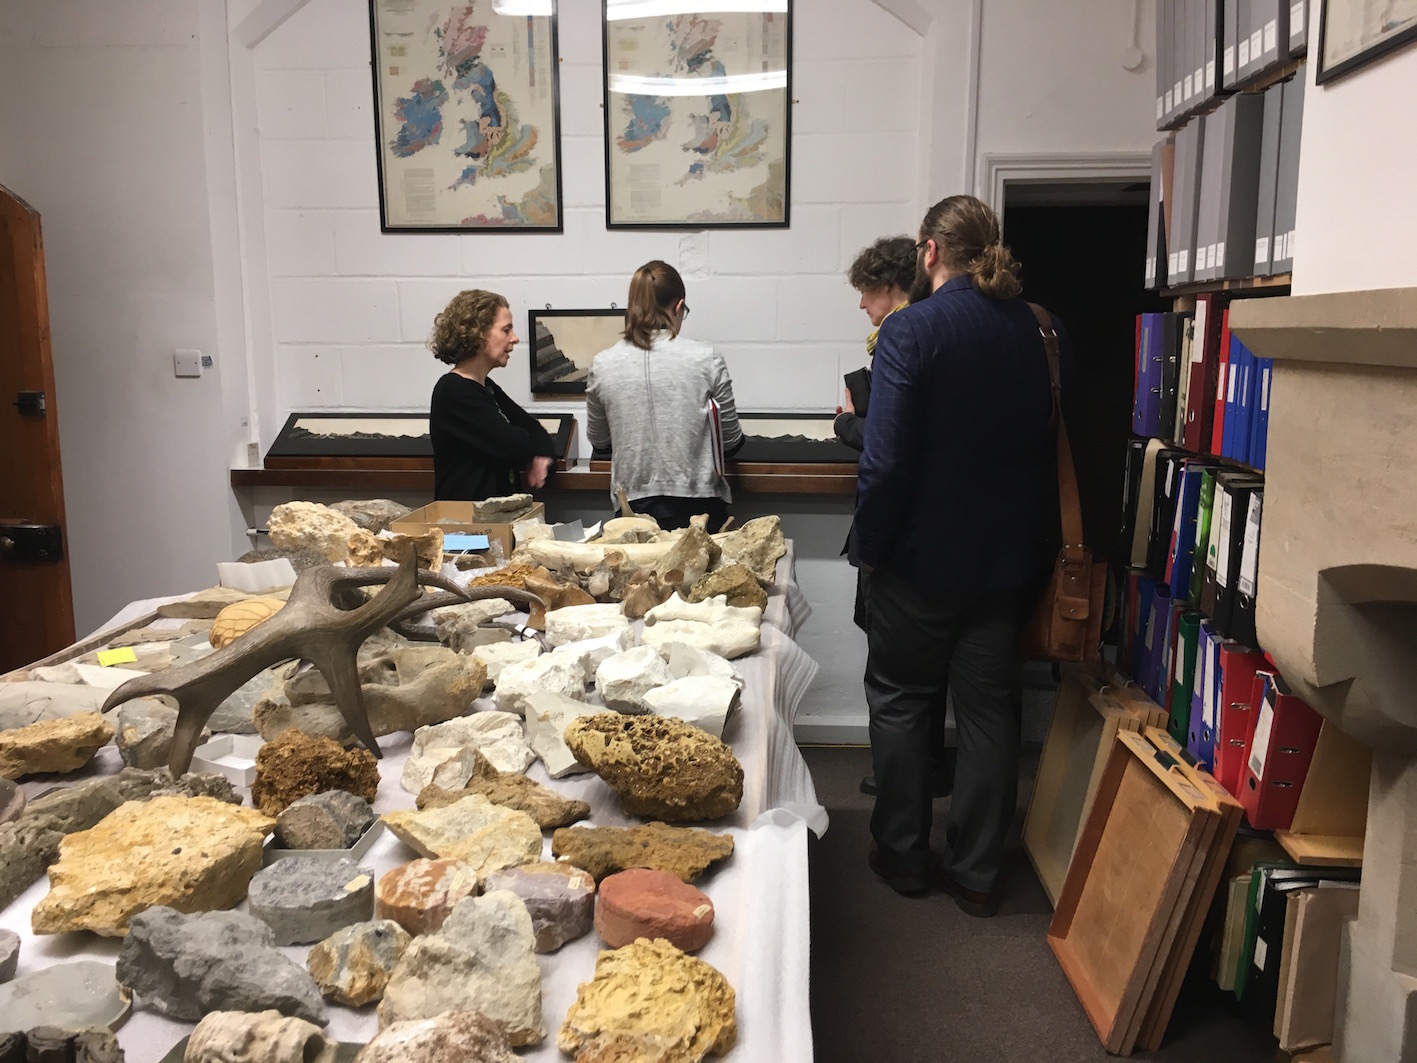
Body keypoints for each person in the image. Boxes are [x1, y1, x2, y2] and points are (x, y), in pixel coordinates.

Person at [854, 195, 1075, 913]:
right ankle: (977, 872)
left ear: (927, 252)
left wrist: (871, 548)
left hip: (917, 559)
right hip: (1006, 563)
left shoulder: (908, 332)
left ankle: (904, 855)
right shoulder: (1042, 329)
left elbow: (883, 464)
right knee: (988, 715)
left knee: (900, 702)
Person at [836, 237, 955, 801]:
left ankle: (901, 799)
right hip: (950, 537)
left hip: (901, 539)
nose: (862, 305)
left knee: (896, 683)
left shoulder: (901, 337)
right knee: (930, 681)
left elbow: (885, 445)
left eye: (865, 291)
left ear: (888, 285)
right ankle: (925, 772)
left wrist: (845, 424)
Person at [586, 260, 743, 531]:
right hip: (701, 512)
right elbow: (731, 441)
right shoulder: (707, 359)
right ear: (679, 307)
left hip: (632, 513)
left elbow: (600, 442)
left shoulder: (602, 364)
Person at [428, 289, 556, 501]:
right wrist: (529, 447)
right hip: (464, 528)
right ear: (477, 334)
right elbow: (514, 446)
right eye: (506, 330)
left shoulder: (487, 387)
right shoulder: (454, 391)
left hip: (493, 522)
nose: (514, 339)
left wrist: (540, 453)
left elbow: (534, 429)